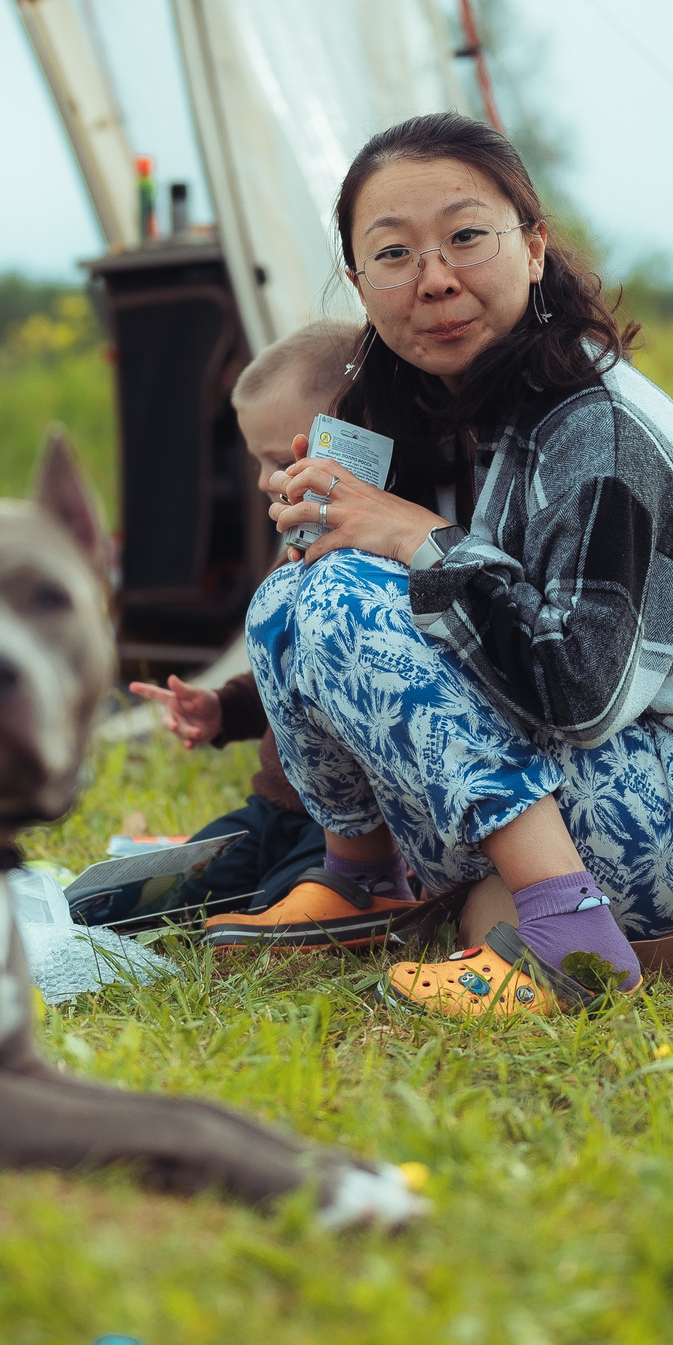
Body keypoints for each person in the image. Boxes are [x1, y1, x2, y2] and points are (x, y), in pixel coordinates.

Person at [232, 112, 673, 1014]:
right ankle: (362, 881)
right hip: (564, 784)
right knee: (294, 589)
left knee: (349, 584)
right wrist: (333, 517)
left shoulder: (605, 428)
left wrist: (420, 536)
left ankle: (565, 934)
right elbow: (333, 626)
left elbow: (582, 695)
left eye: (467, 237)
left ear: (534, 247)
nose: (434, 280)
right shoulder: (406, 403)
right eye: (392, 254)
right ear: (357, 279)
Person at [129, 322, 396, 941]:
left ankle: (379, 900)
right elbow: (288, 678)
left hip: (355, 832)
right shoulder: (297, 546)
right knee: (160, 891)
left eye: (280, 460)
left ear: (356, 443)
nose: (261, 482)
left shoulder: (378, 561)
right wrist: (223, 709)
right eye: (257, 461)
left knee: (273, 916)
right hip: (273, 808)